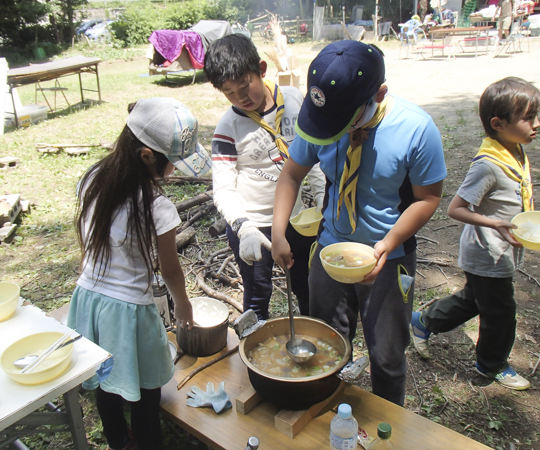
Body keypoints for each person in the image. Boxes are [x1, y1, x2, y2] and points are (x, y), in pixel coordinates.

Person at [271, 40, 446, 406]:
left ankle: (388, 427)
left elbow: (428, 198)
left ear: (378, 94)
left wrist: (387, 243)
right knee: (325, 345)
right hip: (330, 249)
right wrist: (277, 232)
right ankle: (330, 414)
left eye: (339, 122)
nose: (326, 130)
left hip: (389, 255)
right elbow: (291, 175)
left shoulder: (416, 129)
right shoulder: (322, 118)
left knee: (387, 356)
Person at [67, 97, 212, 450]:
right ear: (147, 155)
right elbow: (170, 268)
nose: (173, 172)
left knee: (106, 378)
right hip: (128, 310)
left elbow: (87, 240)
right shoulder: (156, 207)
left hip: (88, 299)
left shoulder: (93, 177)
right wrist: (183, 306)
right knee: (147, 391)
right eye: (171, 164)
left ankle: (118, 439)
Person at [411, 77, 540, 391]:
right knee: (501, 311)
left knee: (474, 299)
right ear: (498, 123)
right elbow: (455, 208)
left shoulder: (514, 150)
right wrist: (494, 224)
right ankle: (491, 363)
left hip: (500, 250)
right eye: (528, 118)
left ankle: (423, 322)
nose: (536, 124)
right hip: (487, 253)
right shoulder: (488, 165)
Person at [203, 34, 326, 320]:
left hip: (295, 221)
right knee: (257, 293)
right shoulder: (227, 128)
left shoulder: (294, 99)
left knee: (306, 286)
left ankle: (312, 345)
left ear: (261, 69)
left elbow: (312, 153)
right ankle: (255, 355)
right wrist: (243, 228)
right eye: (229, 92)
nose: (241, 98)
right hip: (252, 224)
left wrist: (321, 198)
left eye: (245, 86)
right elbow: (223, 189)